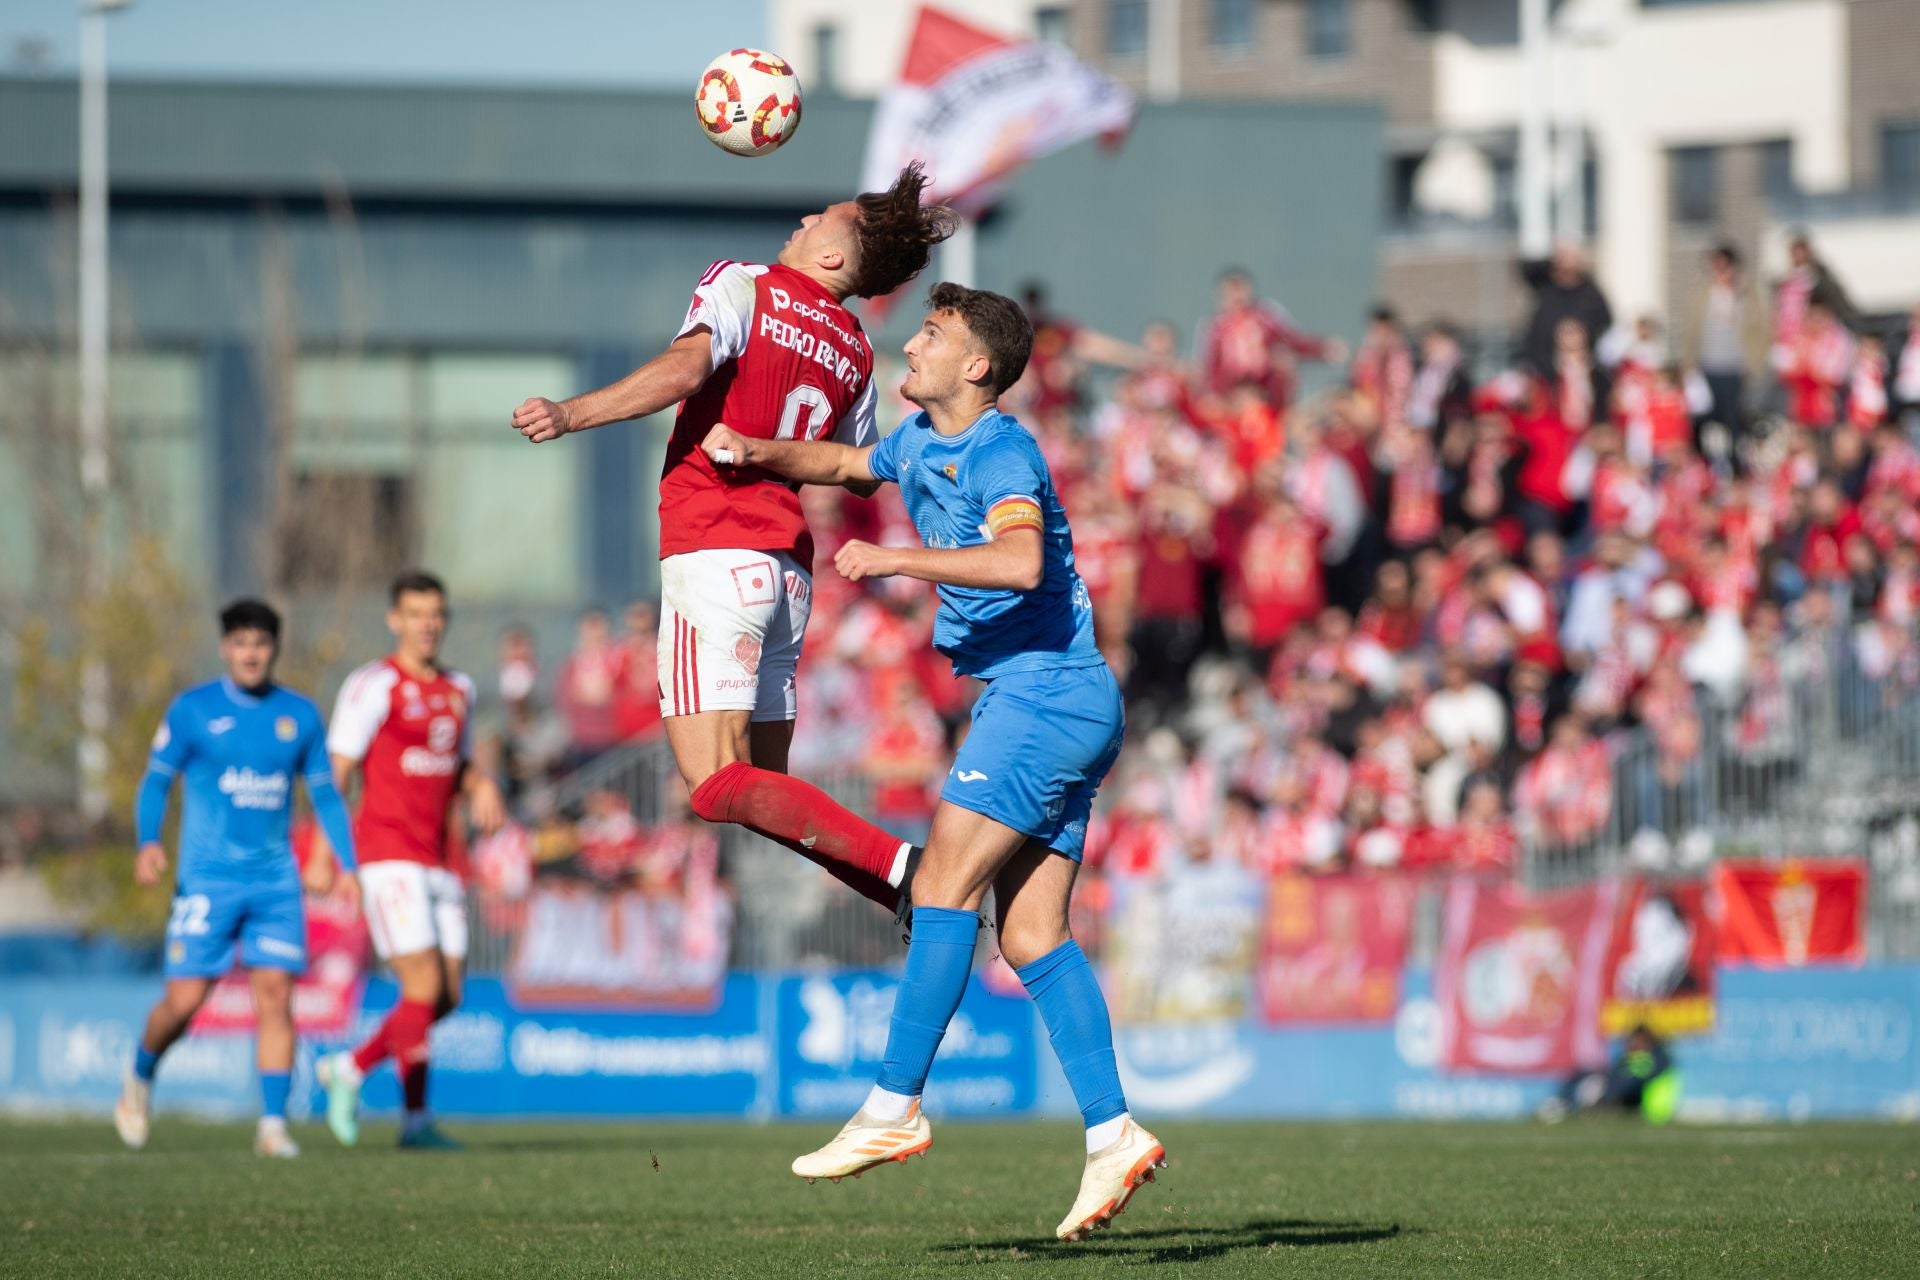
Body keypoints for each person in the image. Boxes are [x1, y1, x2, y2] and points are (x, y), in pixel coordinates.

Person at [700, 283, 1164, 1241]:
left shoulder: (1001, 448)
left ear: (976, 367)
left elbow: (1022, 564)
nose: (909, 345)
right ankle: (1114, 1133)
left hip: (1042, 694)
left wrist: (893, 563)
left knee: (943, 889)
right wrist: (755, 454)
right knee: (1031, 936)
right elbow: (842, 459)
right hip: (1064, 697)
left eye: (933, 335)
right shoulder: (920, 441)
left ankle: (892, 1105)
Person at [508, 163, 958, 923]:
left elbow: (687, 368)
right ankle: (897, 887)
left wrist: (573, 412)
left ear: (833, 258)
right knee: (764, 791)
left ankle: (908, 865)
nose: (805, 219)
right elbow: (855, 476)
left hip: (714, 554)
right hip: (786, 579)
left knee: (714, 785)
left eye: (821, 217)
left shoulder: (745, 282)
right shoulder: (851, 345)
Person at [115, 599, 360, 1158]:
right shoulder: (192, 710)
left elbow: (325, 793)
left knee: (276, 997)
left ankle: (273, 1127)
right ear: (226, 648)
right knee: (185, 1001)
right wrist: (149, 841)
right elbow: (156, 782)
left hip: (274, 881)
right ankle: (140, 1075)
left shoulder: (298, 716)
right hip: (207, 881)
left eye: (262, 643)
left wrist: (347, 865)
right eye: (242, 643)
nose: (252, 653)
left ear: (275, 649)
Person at [314, 571, 507, 1150]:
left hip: (438, 857)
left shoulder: (459, 689)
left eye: (436, 613)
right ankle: (414, 1121)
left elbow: (458, 762)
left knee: (446, 995)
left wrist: (482, 786)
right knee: (420, 984)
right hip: (386, 852)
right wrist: (327, 851)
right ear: (394, 619)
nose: (428, 624)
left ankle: (350, 1068)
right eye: (416, 613)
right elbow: (337, 771)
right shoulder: (373, 685)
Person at [1518, 242, 1612, 378]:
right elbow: (1525, 270)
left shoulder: (1590, 293)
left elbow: (1605, 324)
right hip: (1541, 365)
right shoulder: (1545, 284)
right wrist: (1554, 260)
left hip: (1578, 368)